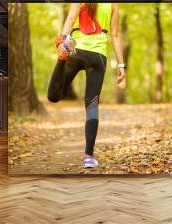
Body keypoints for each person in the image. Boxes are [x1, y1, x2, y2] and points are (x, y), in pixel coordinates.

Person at [47, 3, 126, 168]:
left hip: (76, 52)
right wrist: (121, 65)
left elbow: (70, 18)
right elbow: (116, 35)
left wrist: (61, 41)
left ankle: (62, 59)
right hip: (98, 57)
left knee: (53, 96)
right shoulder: (113, 5)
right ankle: (89, 157)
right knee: (92, 105)